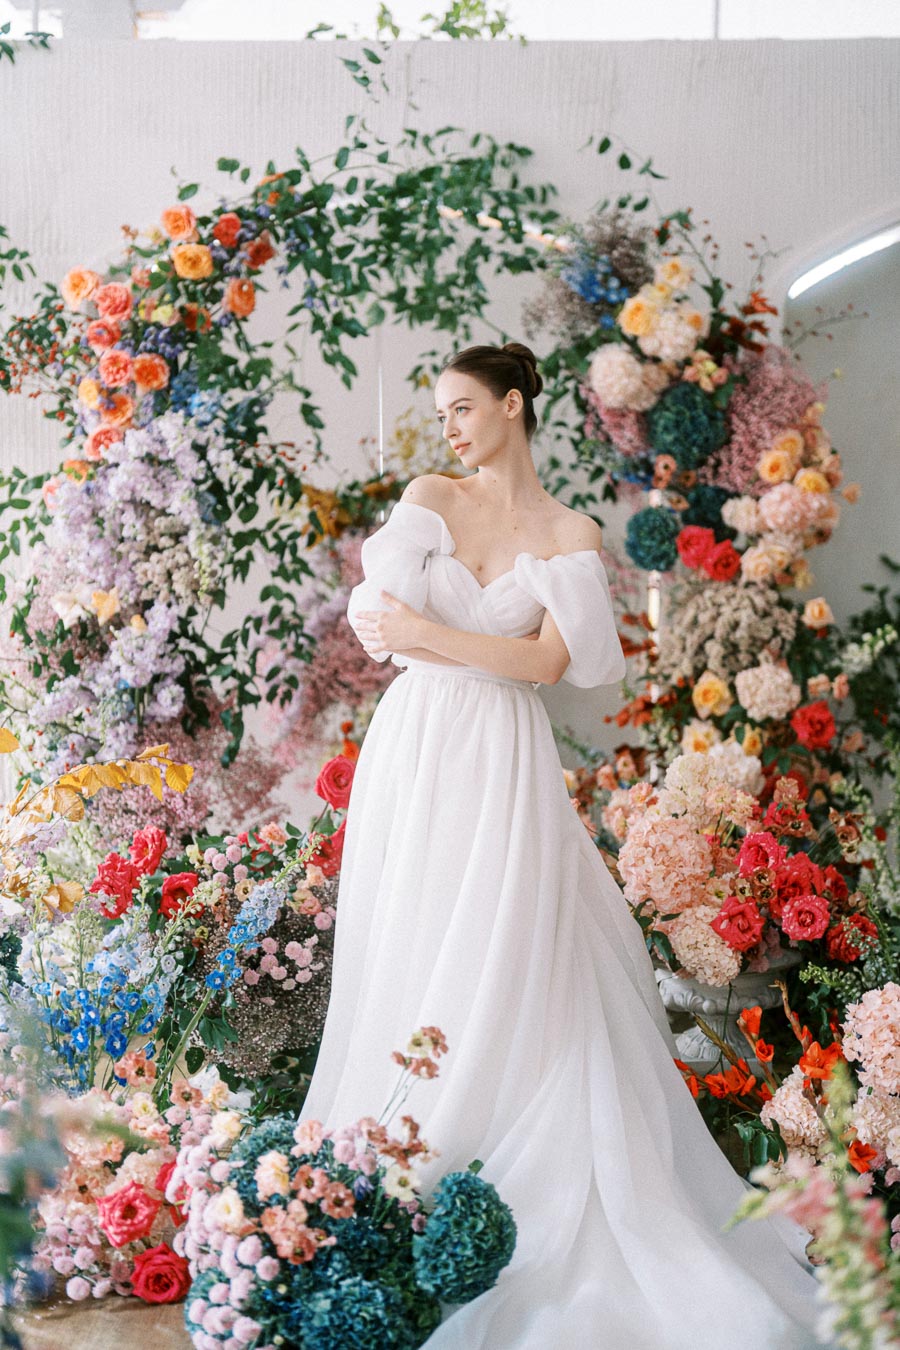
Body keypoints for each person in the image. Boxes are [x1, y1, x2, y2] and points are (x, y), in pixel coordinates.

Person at [298, 343, 837, 1349]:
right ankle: (405, 1154)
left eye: (464, 407)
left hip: (504, 753)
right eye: (443, 411)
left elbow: (560, 662)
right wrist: (474, 650)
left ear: (513, 405)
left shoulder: (569, 530)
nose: (451, 427)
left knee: (513, 937)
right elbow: (380, 624)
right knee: (415, 929)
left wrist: (446, 637)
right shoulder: (431, 495)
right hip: (419, 745)